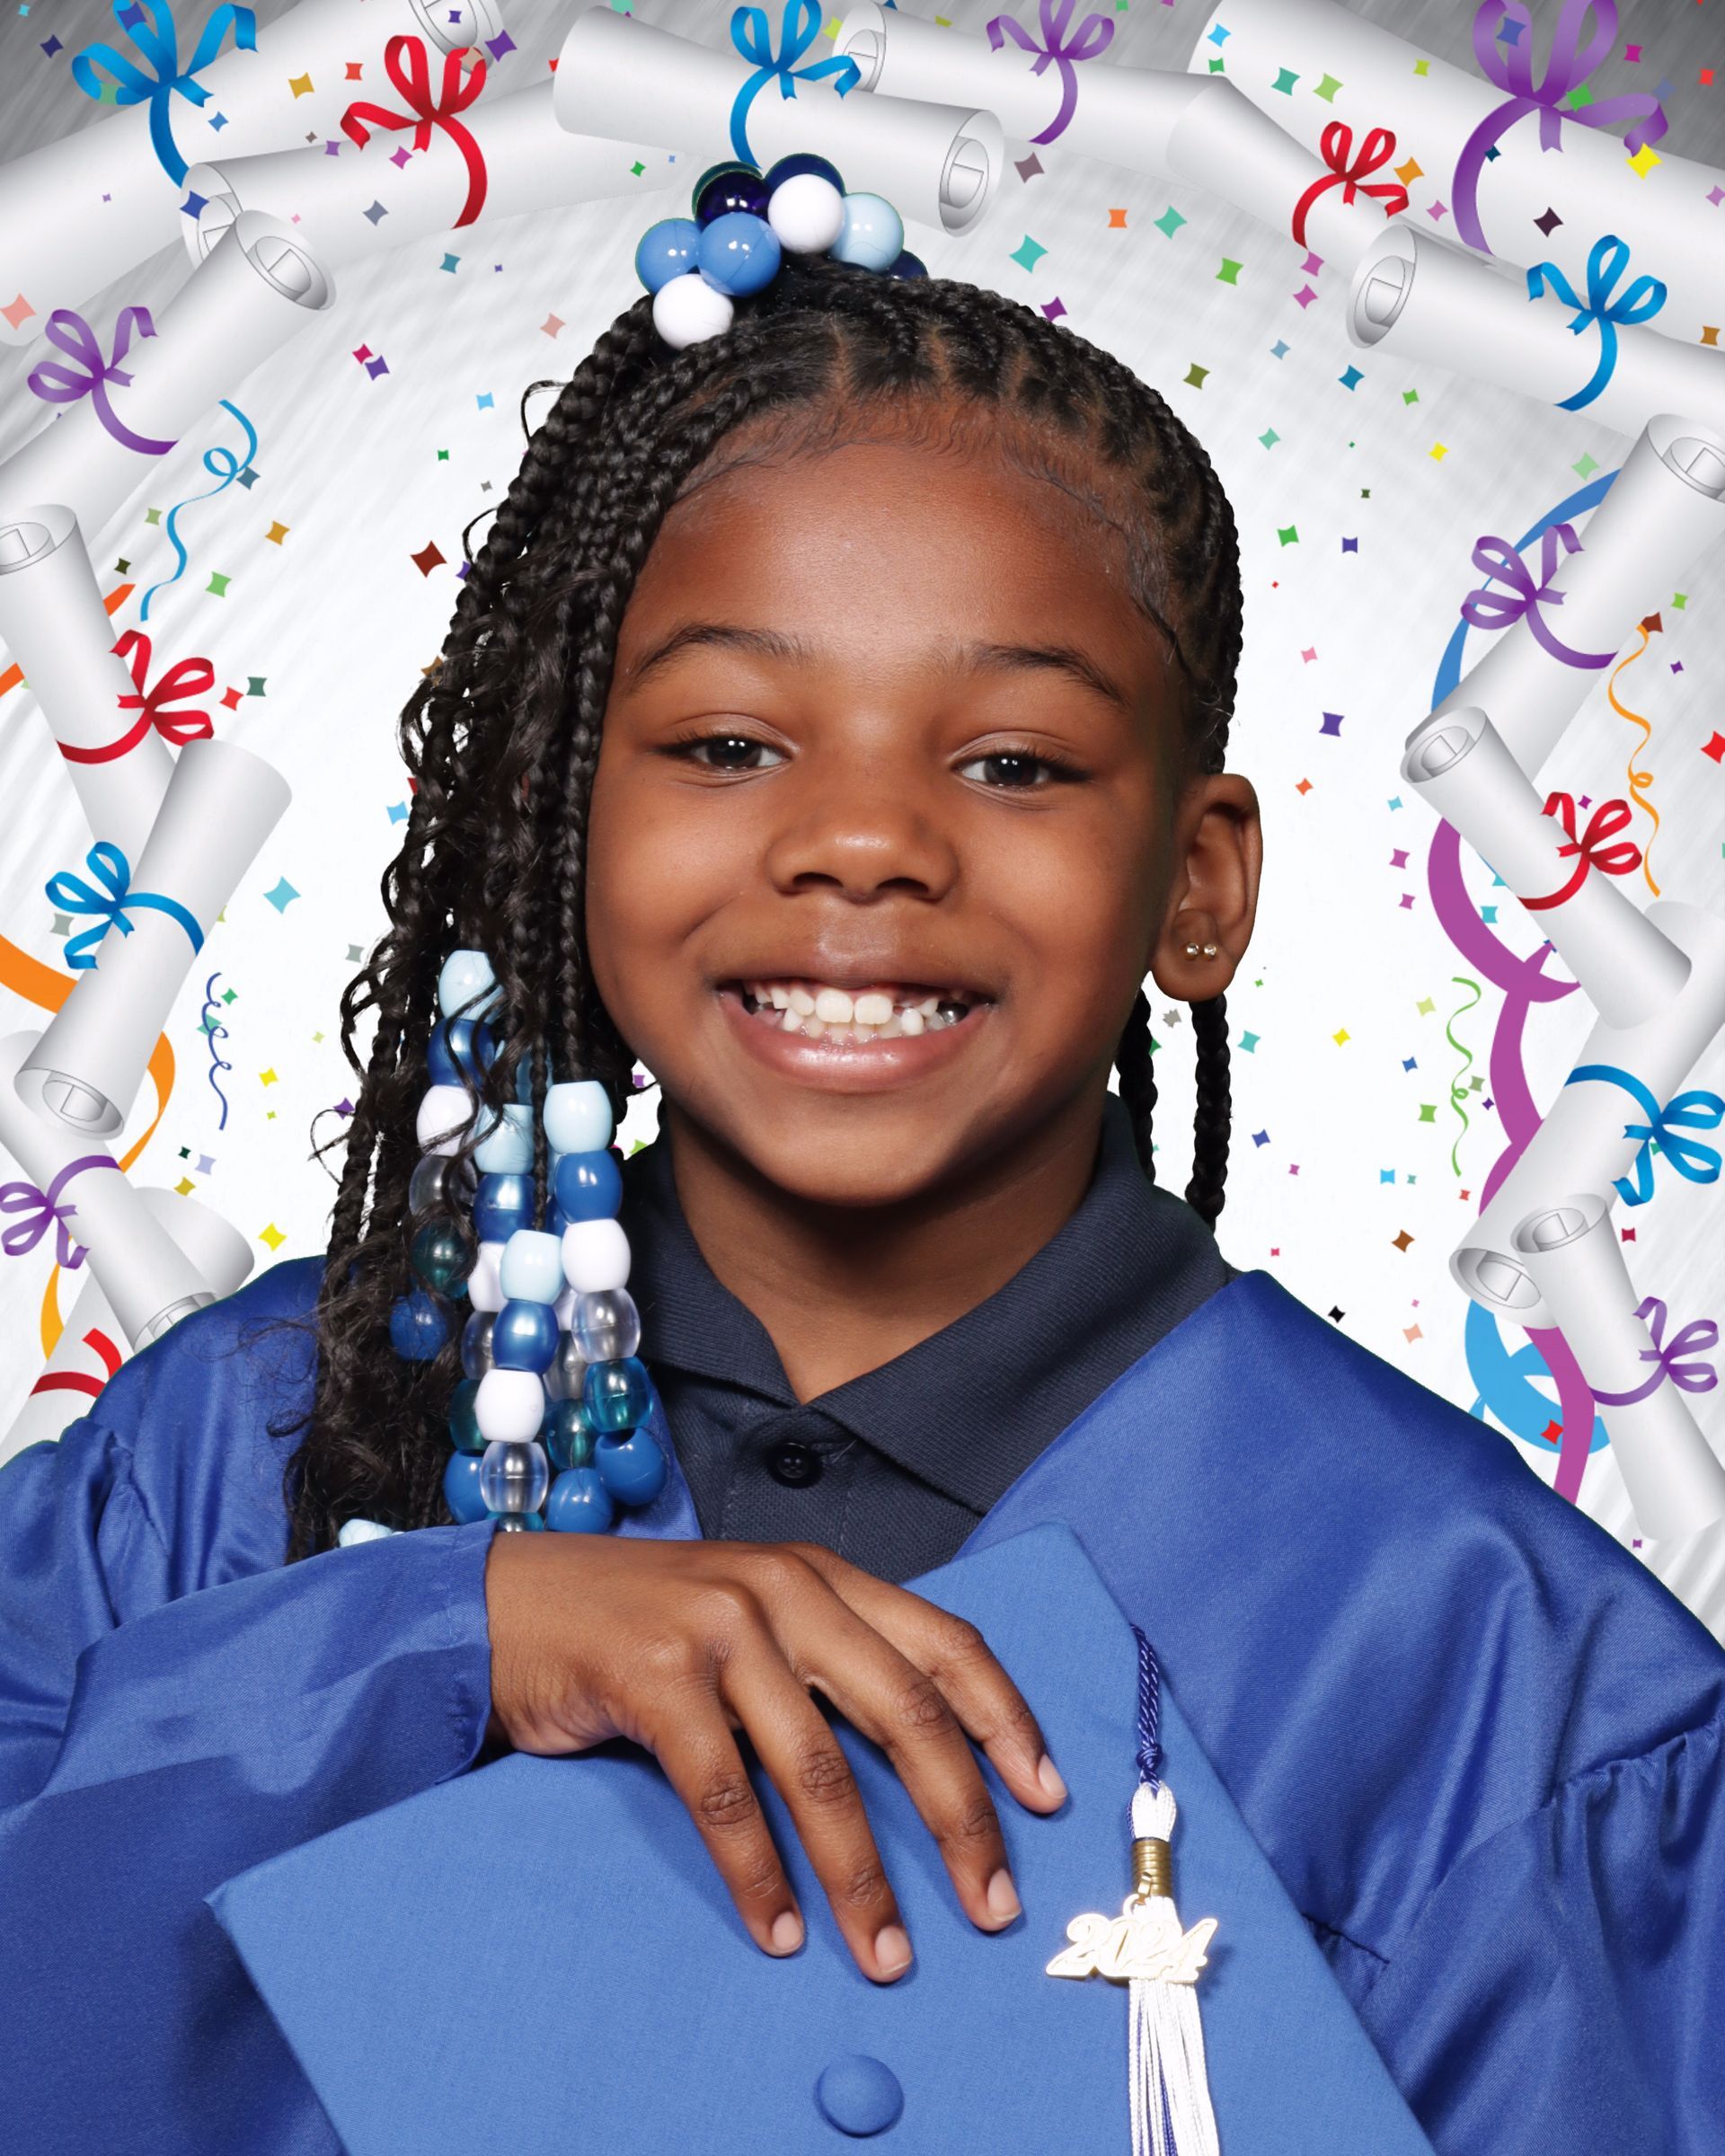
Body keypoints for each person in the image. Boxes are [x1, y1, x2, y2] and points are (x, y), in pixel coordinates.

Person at [2, 233, 1721, 2156]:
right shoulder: (265, 1444)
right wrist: (441, 1643)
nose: (864, 843)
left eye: (1014, 761)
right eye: (729, 745)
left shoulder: (1491, 1671)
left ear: (1198, 883)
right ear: (567, 813)